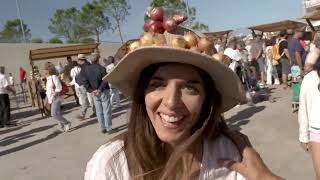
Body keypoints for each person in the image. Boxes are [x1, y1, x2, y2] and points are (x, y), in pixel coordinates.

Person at [84, 31, 282, 180]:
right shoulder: (113, 164)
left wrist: (265, 177)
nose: (171, 102)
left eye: (190, 88)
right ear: (142, 94)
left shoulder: (228, 154)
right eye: (158, 85)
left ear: (207, 99)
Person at [79, 52, 113, 134]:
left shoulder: (86, 69)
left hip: (94, 92)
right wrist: (99, 89)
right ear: (98, 59)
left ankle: (102, 127)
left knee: (99, 111)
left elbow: (84, 81)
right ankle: (108, 128)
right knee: (106, 110)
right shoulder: (102, 68)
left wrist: (91, 90)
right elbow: (105, 80)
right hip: (103, 91)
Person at [45, 65, 71, 132]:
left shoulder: (54, 77)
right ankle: (61, 127)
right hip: (52, 98)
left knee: (53, 114)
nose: (45, 72)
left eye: (46, 70)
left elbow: (59, 87)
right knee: (58, 113)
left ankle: (67, 122)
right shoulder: (49, 78)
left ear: (49, 71)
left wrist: (55, 93)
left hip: (56, 97)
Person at [72, 54, 95, 120]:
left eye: (78, 60)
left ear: (80, 60)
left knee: (87, 100)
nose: (78, 62)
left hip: (85, 85)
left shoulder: (85, 67)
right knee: (90, 99)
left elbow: (86, 76)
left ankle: (83, 114)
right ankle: (93, 112)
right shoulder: (86, 65)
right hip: (86, 85)